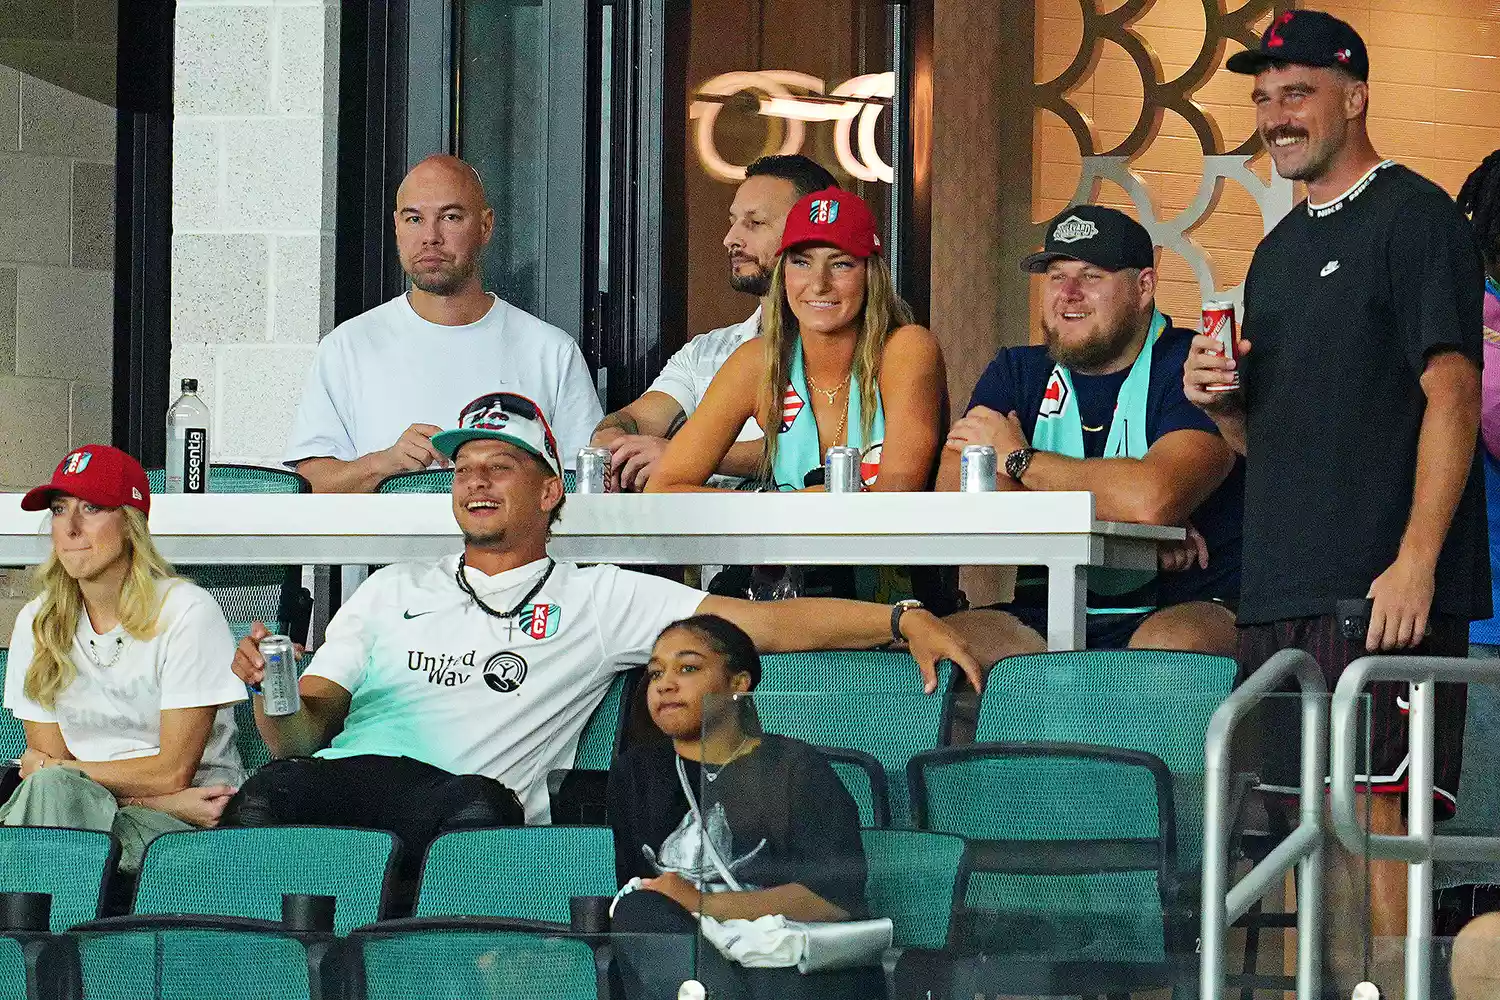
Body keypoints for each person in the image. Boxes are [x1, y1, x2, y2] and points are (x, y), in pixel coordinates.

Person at [225, 392, 978, 872]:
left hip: (463, 812)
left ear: (552, 489)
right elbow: (299, 738)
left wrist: (899, 617)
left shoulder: (598, 598)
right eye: (464, 469)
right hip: (349, 786)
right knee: (267, 790)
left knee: (481, 809)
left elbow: (760, 626)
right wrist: (276, 691)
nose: (477, 481)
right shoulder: (392, 589)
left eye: (502, 467)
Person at [1183, 12, 1490, 995]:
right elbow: (1264, 447)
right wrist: (1222, 404)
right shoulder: (1274, 255)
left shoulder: (1418, 216)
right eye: (1263, 98)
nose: (1275, 116)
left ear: (1355, 95)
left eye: (1297, 92)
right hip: (1282, 587)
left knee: (1385, 822)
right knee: (1311, 832)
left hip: (1381, 584)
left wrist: (1417, 558)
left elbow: (1450, 388)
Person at [940, 205, 1242, 662]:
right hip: (1043, 609)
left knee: (1167, 652)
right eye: (1056, 276)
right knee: (940, 645)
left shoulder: (1192, 366)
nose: (1069, 293)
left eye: (1091, 276)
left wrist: (1021, 462)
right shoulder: (1015, 371)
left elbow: (1151, 498)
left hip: (1182, 604)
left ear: (1144, 287)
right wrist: (1126, 535)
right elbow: (959, 495)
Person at [283, 154, 602, 492]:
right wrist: (384, 464)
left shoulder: (551, 351)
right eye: (414, 219)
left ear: (485, 226)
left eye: (450, 217)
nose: (430, 236)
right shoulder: (347, 346)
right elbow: (308, 488)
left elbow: (588, 491)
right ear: (396, 226)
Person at [607, 614, 883, 1000]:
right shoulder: (636, 772)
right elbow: (644, 898)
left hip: (786, 967)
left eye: (687, 668)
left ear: (739, 683)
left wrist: (702, 902)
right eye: (654, 674)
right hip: (683, 959)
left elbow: (834, 901)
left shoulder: (793, 767)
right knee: (637, 911)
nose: (665, 684)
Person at [1, 446, 245, 872]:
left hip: (183, 826)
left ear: (131, 522)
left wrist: (67, 773)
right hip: (111, 809)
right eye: (59, 510)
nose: (71, 528)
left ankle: (35, 933)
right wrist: (141, 795)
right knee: (52, 795)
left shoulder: (186, 611)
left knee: (49, 797)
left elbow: (172, 772)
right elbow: (54, 780)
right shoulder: (37, 620)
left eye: (91, 508)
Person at [646, 186, 946, 493]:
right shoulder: (759, 361)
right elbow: (663, 488)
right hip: (783, 541)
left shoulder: (907, 349)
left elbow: (897, 498)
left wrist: (799, 509)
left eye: (840, 263)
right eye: (802, 262)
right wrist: (785, 507)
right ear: (783, 273)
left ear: (870, 275)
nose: (819, 284)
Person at [590, 155, 837, 490]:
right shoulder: (706, 351)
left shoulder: (856, 347)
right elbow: (640, 417)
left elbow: (836, 445)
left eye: (755, 223)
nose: (730, 238)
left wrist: (684, 457)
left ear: (812, 234)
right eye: (733, 221)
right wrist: (612, 440)